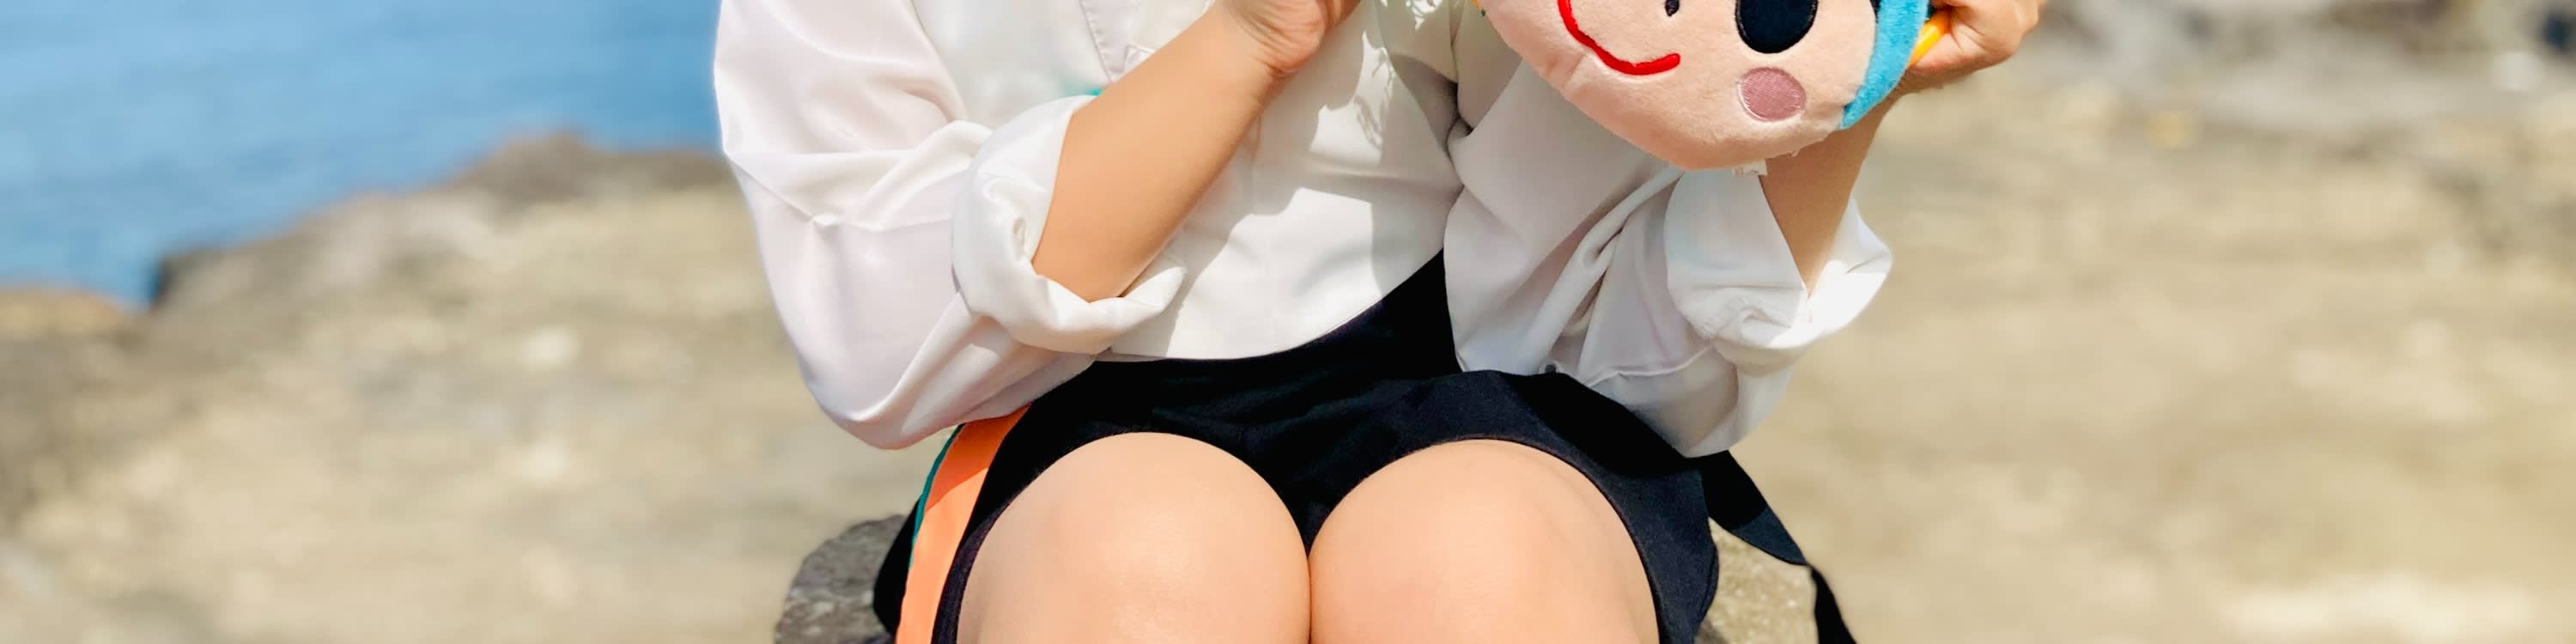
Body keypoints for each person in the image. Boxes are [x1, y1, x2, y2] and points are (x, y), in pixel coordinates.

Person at [711, 0, 2042, 641]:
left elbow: (1638, 369)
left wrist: (1844, 74)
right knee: (1143, 557)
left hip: (1482, 401)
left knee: (1476, 558)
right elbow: (879, 346)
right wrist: (1245, 40)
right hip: (1078, 429)